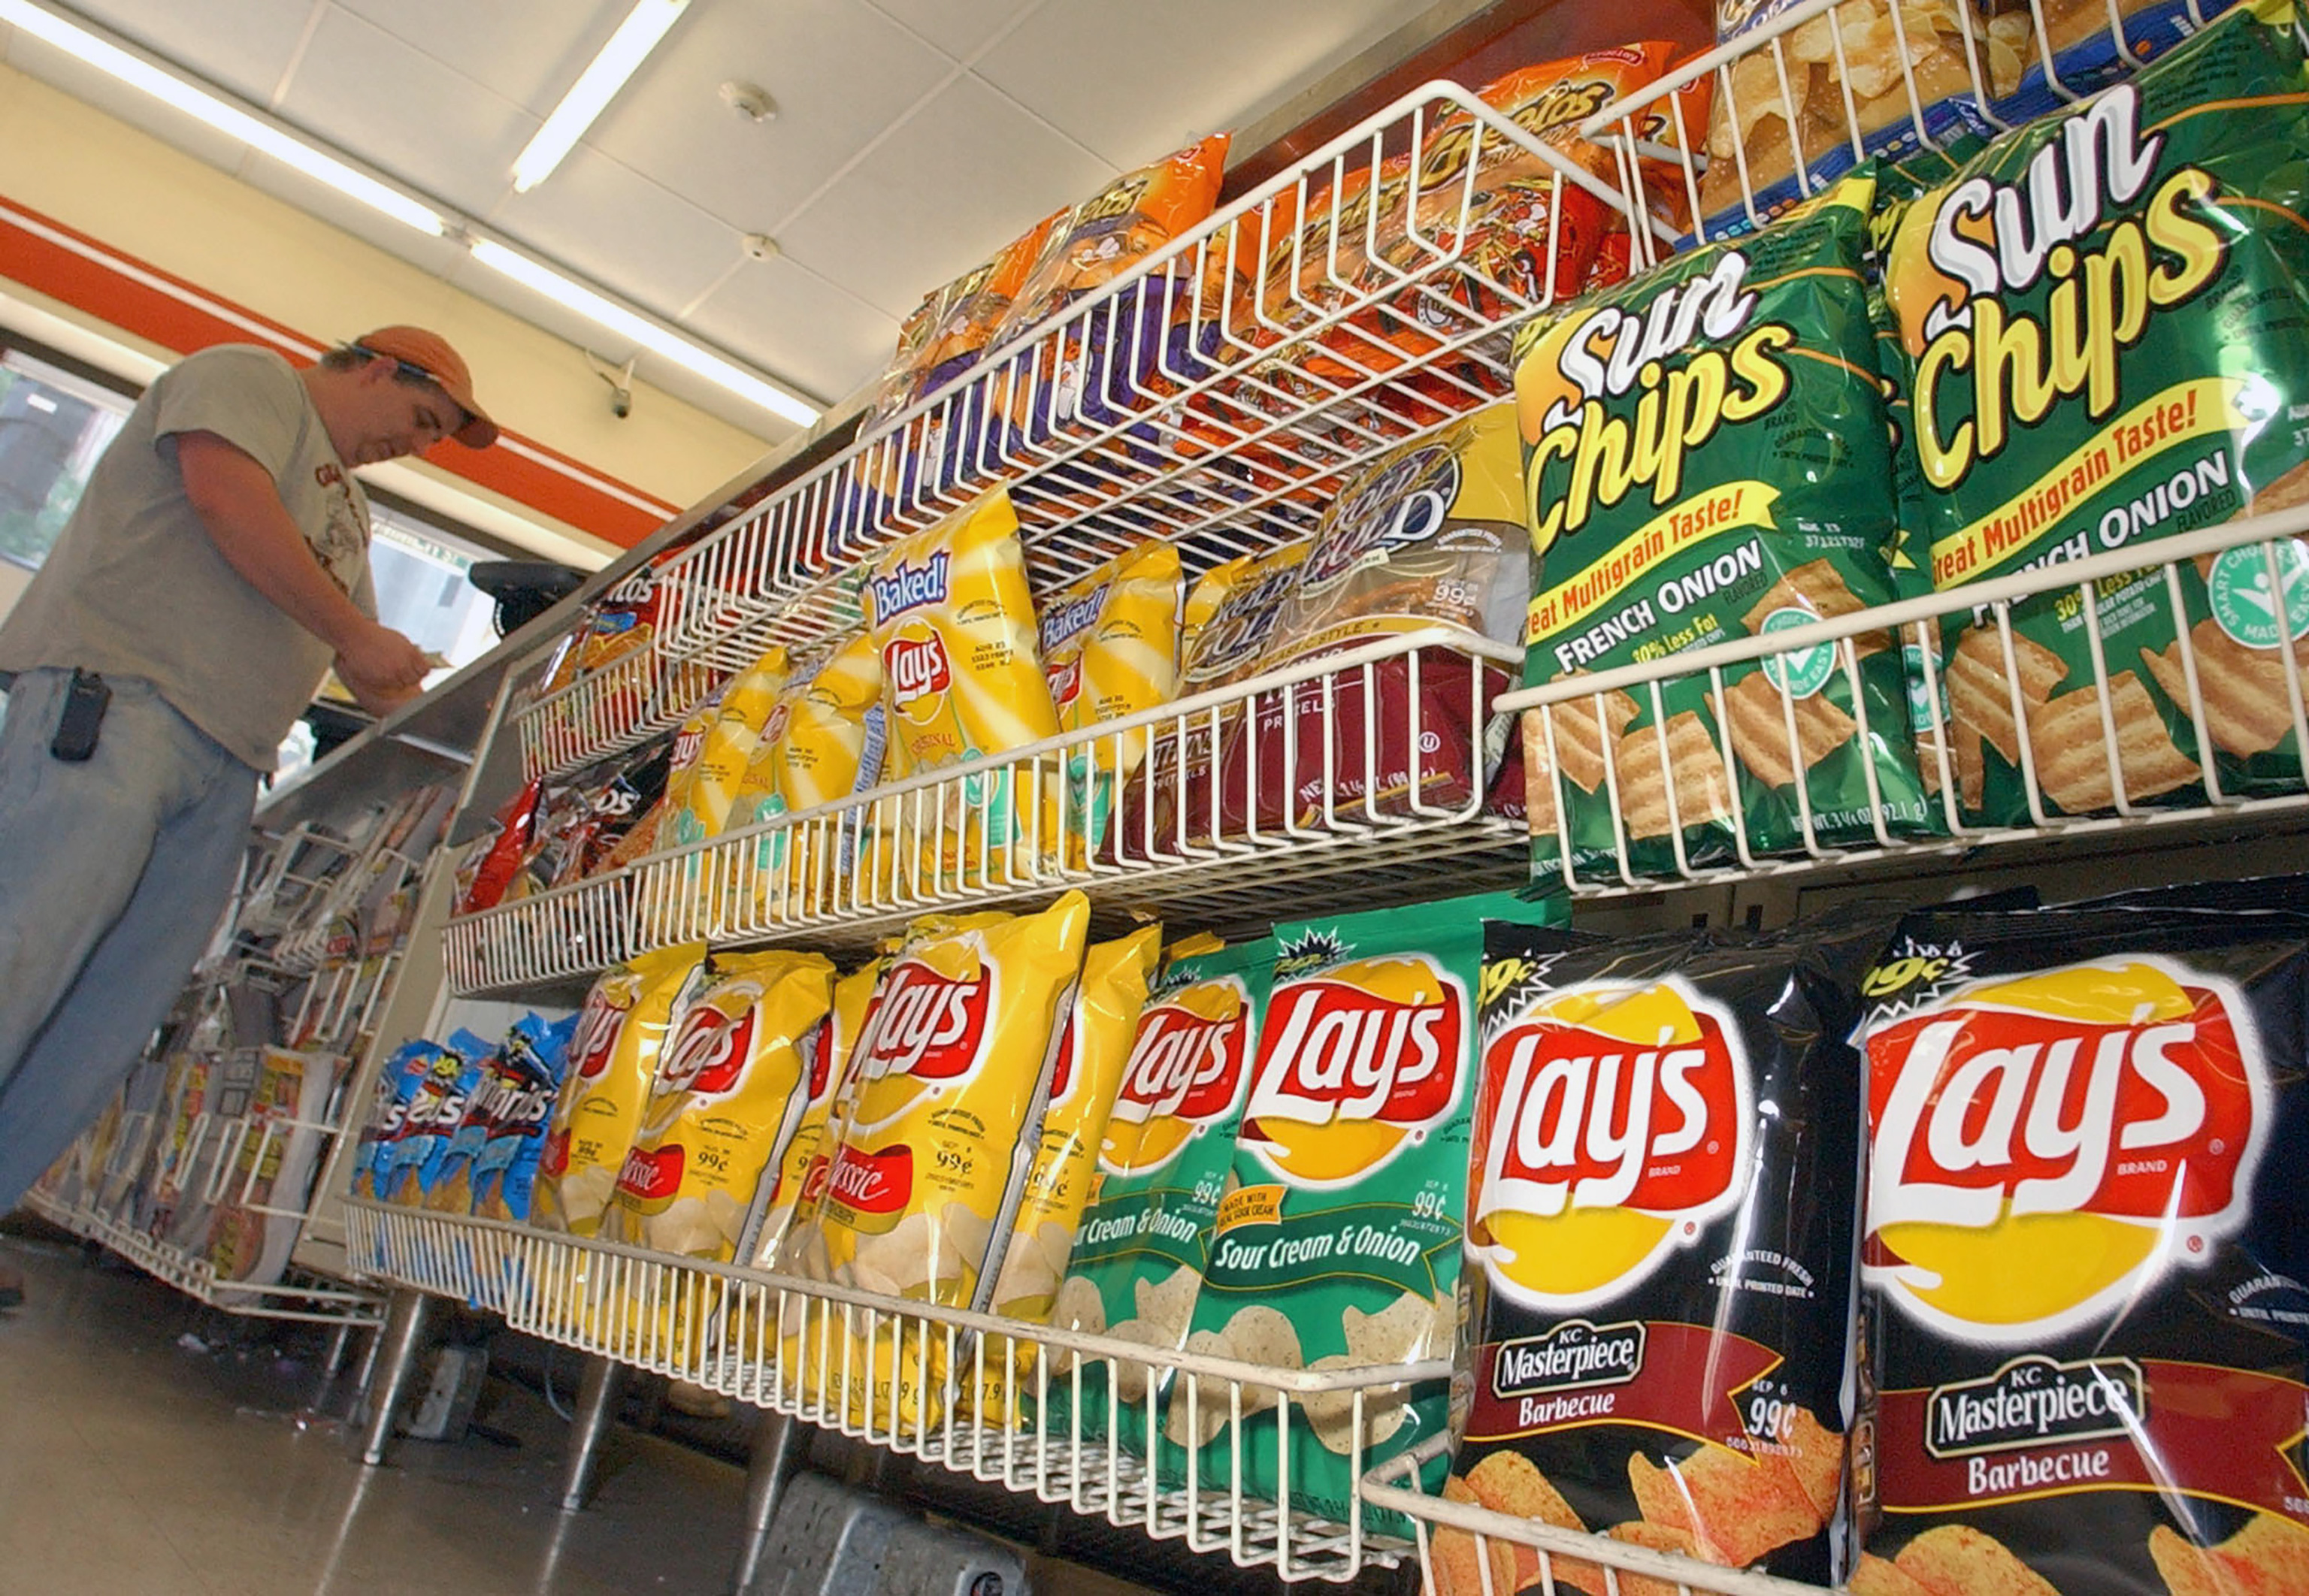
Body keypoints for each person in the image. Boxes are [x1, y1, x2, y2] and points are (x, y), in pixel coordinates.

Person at [0, 328, 498, 1298]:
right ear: (375, 369)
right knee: (22, 949)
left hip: (226, 763)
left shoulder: (346, 508)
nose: (417, 446)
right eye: (420, 420)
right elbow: (225, 499)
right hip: (124, 700)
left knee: (107, 1013)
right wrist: (358, 630)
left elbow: (356, 658)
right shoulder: (250, 380)